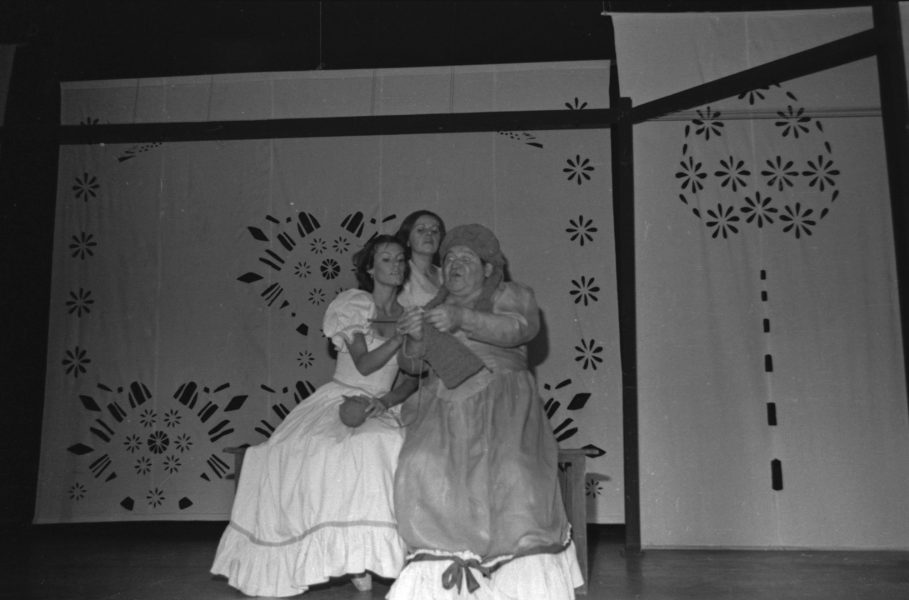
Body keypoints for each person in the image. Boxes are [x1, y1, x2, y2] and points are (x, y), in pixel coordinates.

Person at [211, 234, 418, 597]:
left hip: (380, 403)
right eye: (387, 259)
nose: (396, 266)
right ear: (370, 268)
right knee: (320, 451)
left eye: (401, 259)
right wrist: (399, 338)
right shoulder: (354, 304)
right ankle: (348, 559)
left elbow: (412, 378)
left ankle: (370, 553)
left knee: (386, 443)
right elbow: (364, 364)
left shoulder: (408, 315)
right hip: (341, 395)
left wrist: (386, 402)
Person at [389, 224, 583, 600]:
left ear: (489, 267)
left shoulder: (512, 294)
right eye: (449, 259)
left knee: (515, 473)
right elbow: (412, 367)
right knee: (419, 463)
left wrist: (463, 318)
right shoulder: (432, 307)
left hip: (505, 403)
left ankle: (519, 581)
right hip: (446, 407)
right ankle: (443, 571)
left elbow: (519, 329)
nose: (454, 264)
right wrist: (414, 338)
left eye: (466, 258)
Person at [394, 210, 445, 308]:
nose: (429, 233)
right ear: (408, 240)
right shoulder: (400, 273)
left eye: (434, 231)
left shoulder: (446, 274)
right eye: (421, 230)